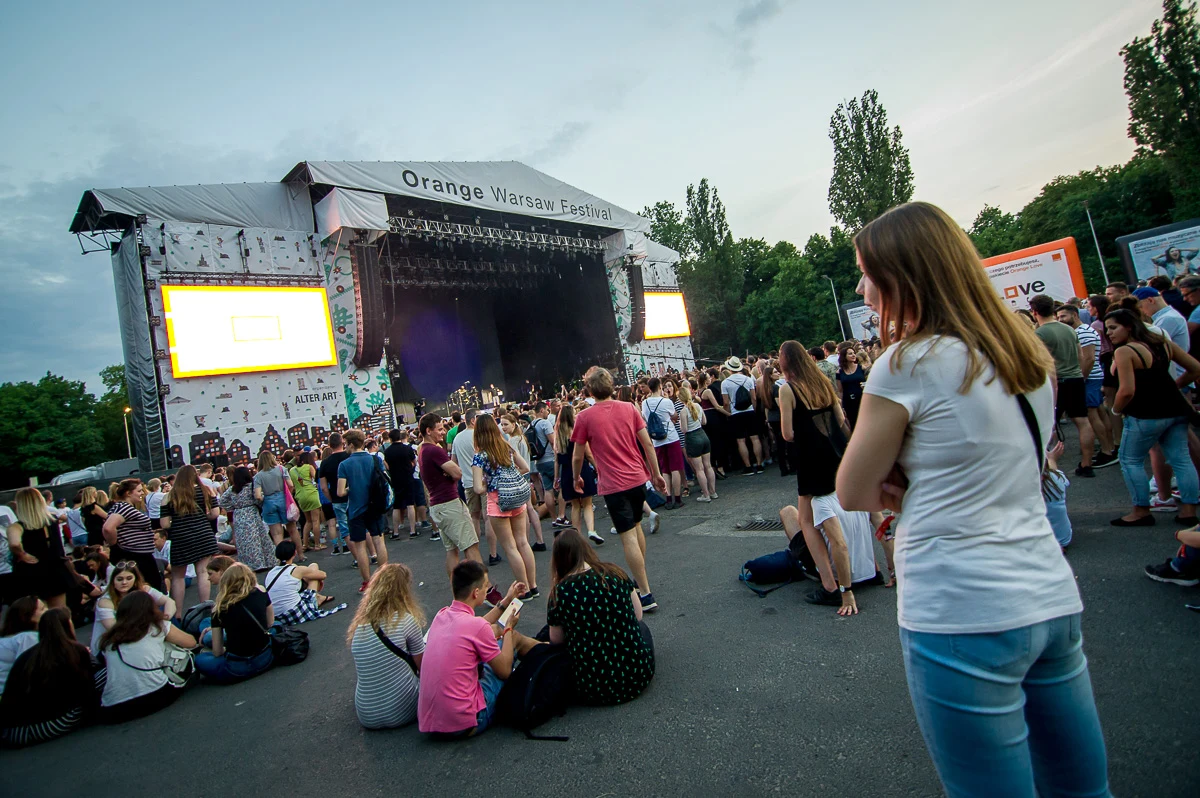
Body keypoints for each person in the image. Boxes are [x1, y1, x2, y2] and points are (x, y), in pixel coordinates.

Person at [837, 201, 1108, 797]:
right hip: (1048, 593)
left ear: (907, 276)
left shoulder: (907, 364)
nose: (862, 288)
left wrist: (907, 480)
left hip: (961, 607)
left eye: (868, 272)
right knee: (1083, 790)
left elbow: (854, 489)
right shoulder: (1028, 356)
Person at [572, 366, 668, 612]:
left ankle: (645, 593)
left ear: (590, 390)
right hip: (637, 478)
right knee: (636, 528)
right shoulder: (629, 408)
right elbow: (647, 443)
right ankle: (640, 578)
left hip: (613, 485)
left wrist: (576, 478)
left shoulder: (584, 417)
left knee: (628, 536)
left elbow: (577, 456)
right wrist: (656, 474)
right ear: (611, 385)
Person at [776, 340, 856, 614]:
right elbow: (840, 418)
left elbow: (787, 433)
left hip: (810, 459)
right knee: (839, 509)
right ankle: (871, 568)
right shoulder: (823, 381)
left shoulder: (788, 389)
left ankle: (829, 585)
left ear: (785, 361)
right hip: (833, 453)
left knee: (806, 521)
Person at [1104, 308, 1200, 526]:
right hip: (1175, 409)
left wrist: (1116, 410)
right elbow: (1195, 368)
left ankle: (1140, 510)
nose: (1109, 333)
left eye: (1113, 327)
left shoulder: (1125, 351)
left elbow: (1126, 390)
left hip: (1145, 412)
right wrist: (1175, 386)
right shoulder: (1162, 343)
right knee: (1181, 459)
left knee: (1130, 460)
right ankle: (1188, 509)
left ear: (1128, 326)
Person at [416, 561, 534, 738]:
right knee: (512, 640)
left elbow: (480, 626)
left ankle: (546, 649)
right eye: (486, 586)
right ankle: (549, 653)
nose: (488, 588)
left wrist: (507, 600)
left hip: (432, 724)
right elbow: (504, 671)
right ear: (476, 592)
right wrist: (508, 628)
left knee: (495, 648)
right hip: (466, 723)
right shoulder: (476, 626)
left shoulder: (442, 616)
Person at [546, 529, 654, 705]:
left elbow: (556, 639)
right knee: (642, 628)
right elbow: (638, 614)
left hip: (591, 688)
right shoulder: (614, 573)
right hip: (637, 676)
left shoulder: (559, 593)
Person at [0, 608, 102, 746]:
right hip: (45, 726)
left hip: (12, 731)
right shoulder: (73, 650)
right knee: (104, 674)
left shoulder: (27, 656)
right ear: (68, 625)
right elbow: (88, 686)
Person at [347, 563, 426, 730]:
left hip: (366, 715)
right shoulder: (406, 620)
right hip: (404, 710)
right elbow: (424, 667)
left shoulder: (360, 627)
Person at [98, 591, 196, 723]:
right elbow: (191, 642)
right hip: (156, 695)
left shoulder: (108, 640)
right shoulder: (157, 626)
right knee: (181, 653)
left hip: (114, 707)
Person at [418, 413, 489, 592]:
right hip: (449, 504)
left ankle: (457, 591)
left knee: (452, 550)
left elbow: (452, 471)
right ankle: (485, 589)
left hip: (438, 505)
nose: (443, 432)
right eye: (440, 429)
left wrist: (448, 472)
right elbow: (457, 472)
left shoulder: (422, 449)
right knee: (471, 546)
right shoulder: (434, 450)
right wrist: (450, 472)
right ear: (429, 430)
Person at [779, 490, 884, 610]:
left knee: (789, 512)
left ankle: (829, 587)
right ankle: (871, 571)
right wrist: (889, 570)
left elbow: (839, 545)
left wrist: (846, 591)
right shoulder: (860, 490)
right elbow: (883, 527)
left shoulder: (820, 501)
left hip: (840, 576)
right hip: (868, 571)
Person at [472, 413, 540, 596]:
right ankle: (533, 586)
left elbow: (477, 488)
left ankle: (523, 589)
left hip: (497, 501)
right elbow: (525, 467)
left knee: (510, 547)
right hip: (516, 497)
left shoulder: (480, 456)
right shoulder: (507, 447)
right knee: (523, 543)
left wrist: (490, 482)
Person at [1029, 294, 1097, 477]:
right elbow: (1081, 356)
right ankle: (1087, 463)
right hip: (1075, 378)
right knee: (1083, 421)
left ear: (1034, 312)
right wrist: (1080, 376)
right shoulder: (1069, 330)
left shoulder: (1039, 333)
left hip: (1055, 381)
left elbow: (1038, 361)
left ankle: (1051, 466)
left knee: (1049, 423)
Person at [1055, 304, 1118, 468]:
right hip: (1091, 376)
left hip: (1089, 377)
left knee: (1092, 414)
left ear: (1075, 315)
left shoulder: (1083, 332)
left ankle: (1106, 450)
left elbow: (1088, 358)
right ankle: (1109, 447)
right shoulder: (1081, 331)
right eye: (1059, 317)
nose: (1060, 320)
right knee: (1098, 412)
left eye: (1063, 316)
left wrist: (1081, 378)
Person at [158, 465, 219, 622]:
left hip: (180, 537)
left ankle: (177, 613)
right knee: (203, 572)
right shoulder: (205, 490)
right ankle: (204, 608)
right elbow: (215, 514)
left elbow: (164, 524)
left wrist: (177, 522)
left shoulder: (169, 496)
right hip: (203, 534)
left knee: (178, 576)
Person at [196, 563, 274, 684]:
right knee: (275, 627)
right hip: (265, 657)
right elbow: (270, 623)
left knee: (200, 659)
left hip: (237, 667)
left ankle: (205, 633)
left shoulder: (219, 608)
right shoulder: (261, 593)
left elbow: (217, 652)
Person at [337, 429, 391, 593]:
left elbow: (340, 492)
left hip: (355, 509)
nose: (345, 447)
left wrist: (349, 489)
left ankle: (367, 581)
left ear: (352, 444)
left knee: (360, 546)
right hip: (375, 505)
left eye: (346, 444)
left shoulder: (344, 464)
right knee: (379, 541)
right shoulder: (374, 459)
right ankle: (384, 578)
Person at [7, 488, 78, 609]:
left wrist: (22, 554)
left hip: (30, 574)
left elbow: (14, 543)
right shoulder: (52, 522)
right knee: (60, 613)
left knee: (36, 614)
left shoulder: (17, 527)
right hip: (55, 570)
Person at [89, 560, 174, 653]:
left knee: (167, 624)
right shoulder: (105, 601)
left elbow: (169, 601)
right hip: (112, 645)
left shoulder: (143, 589)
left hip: (139, 635)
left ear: (135, 579)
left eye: (129, 578)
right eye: (119, 579)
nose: (124, 582)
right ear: (113, 581)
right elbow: (114, 629)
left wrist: (166, 618)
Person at [452, 410, 498, 566]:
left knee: (474, 517)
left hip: (468, 483)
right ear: (472, 420)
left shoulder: (457, 438)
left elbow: (454, 461)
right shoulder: (479, 436)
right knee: (488, 517)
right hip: (484, 482)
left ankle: (476, 554)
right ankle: (493, 553)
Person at [101, 479, 164, 592]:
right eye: (139, 491)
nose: (142, 493)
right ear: (128, 493)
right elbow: (108, 528)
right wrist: (115, 546)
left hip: (139, 554)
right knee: (150, 588)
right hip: (136, 555)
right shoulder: (124, 508)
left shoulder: (121, 507)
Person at [264, 541, 345, 623]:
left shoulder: (271, 573)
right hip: (295, 612)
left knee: (306, 576)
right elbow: (323, 575)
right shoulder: (296, 570)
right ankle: (317, 598)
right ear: (294, 553)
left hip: (277, 616)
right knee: (314, 566)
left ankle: (319, 597)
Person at [501, 413, 546, 552]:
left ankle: (525, 543)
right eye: (502, 424)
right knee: (530, 510)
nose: (503, 427)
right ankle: (539, 540)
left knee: (525, 512)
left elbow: (512, 462)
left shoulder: (513, 441)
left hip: (519, 477)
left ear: (514, 424)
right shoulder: (521, 438)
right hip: (526, 477)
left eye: (506, 424)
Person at [217, 466, 275, 571]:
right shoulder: (251, 486)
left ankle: (246, 564)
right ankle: (262, 562)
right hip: (251, 513)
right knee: (256, 538)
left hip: (238, 515)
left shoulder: (232, 489)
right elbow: (258, 499)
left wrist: (232, 507)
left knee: (242, 540)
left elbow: (222, 501)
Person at [642, 377, 687, 508]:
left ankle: (668, 498)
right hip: (671, 437)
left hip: (656, 440)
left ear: (649, 388)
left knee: (665, 470)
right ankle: (678, 498)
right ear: (660, 387)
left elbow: (644, 418)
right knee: (675, 468)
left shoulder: (645, 403)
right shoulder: (666, 401)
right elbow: (674, 416)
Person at [720, 357, 765, 475]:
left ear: (729, 369)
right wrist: (754, 409)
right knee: (755, 438)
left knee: (741, 441)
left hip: (736, 413)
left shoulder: (725, 383)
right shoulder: (748, 379)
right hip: (750, 410)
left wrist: (728, 413)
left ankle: (748, 466)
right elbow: (754, 398)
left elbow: (725, 402)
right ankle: (760, 464)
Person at [254, 451, 302, 558]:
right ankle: (301, 554)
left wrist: (264, 499)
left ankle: (284, 559)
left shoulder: (258, 476)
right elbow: (291, 485)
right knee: (293, 530)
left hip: (268, 503)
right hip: (284, 500)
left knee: (276, 534)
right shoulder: (281, 469)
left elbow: (257, 495)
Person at [678, 382, 716, 502]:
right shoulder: (698, 406)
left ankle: (706, 495)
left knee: (699, 469)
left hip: (692, 438)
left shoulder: (683, 411)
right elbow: (704, 421)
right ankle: (713, 491)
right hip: (702, 435)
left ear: (680, 398)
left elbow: (684, 429)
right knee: (708, 466)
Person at [0, 597, 43, 694]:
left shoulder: (6, 640)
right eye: (42, 608)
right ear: (30, 616)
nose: (48, 611)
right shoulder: (28, 637)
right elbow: (28, 670)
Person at [318, 433, 352, 556]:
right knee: (358, 523)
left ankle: (346, 548)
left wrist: (331, 498)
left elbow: (323, 487)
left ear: (329, 445)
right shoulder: (349, 456)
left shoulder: (325, 463)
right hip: (353, 494)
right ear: (342, 442)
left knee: (343, 525)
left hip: (336, 497)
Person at [385, 429, 420, 541]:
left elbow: (387, 466)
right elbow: (414, 462)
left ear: (390, 438)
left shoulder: (388, 451)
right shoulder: (407, 448)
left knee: (397, 506)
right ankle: (412, 530)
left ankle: (395, 532)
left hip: (395, 479)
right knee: (410, 504)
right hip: (408, 478)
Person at [289, 451, 325, 553]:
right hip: (311, 494)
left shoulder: (292, 470)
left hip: (300, 496)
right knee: (315, 520)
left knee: (307, 521)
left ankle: (305, 544)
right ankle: (317, 544)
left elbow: (292, 484)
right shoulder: (309, 467)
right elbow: (316, 479)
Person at [835, 344, 869, 430]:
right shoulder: (839, 372)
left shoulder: (861, 368)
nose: (853, 355)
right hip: (849, 402)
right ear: (844, 356)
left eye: (854, 353)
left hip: (862, 399)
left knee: (866, 422)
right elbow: (840, 390)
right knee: (854, 424)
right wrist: (841, 406)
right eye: (850, 354)